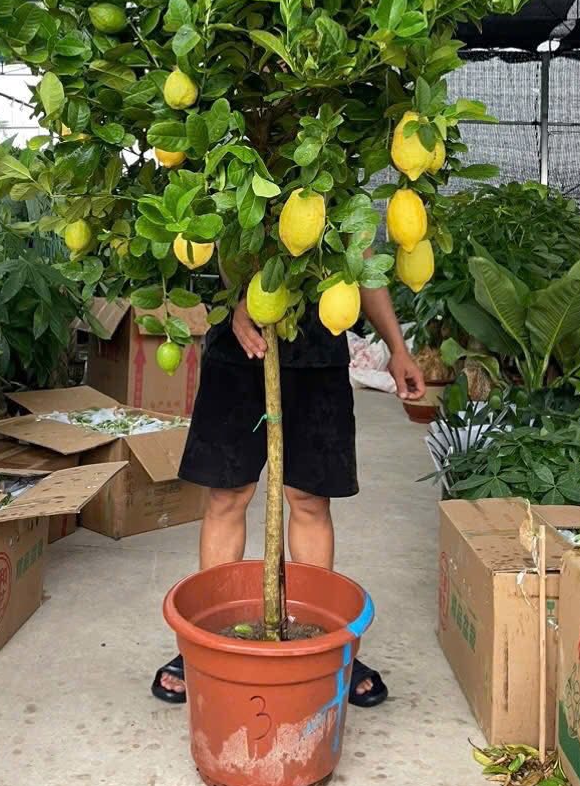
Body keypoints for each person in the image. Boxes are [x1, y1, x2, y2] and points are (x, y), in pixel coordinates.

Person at [152, 281, 426, 706]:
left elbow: (364, 266)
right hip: (238, 349)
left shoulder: (341, 230)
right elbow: (205, 258)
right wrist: (237, 306)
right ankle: (207, 642)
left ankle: (322, 641)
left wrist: (398, 348)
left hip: (317, 351)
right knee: (226, 497)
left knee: (311, 501)